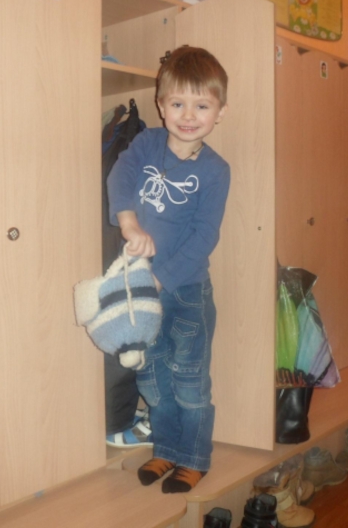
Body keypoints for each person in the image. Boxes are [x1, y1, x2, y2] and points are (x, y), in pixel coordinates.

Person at [106, 46, 230, 493]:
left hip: (186, 292)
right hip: (142, 286)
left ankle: (194, 458)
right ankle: (166, 450)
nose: (188, 115)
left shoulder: (216, 170)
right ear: (161, 106)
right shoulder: (147, 144)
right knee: (153, 376)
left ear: (220, 112)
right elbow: (119, 178)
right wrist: (128, 222)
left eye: (202, 106)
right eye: (178, 103)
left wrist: (161, 278)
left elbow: (204, 237)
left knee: (189, 381)